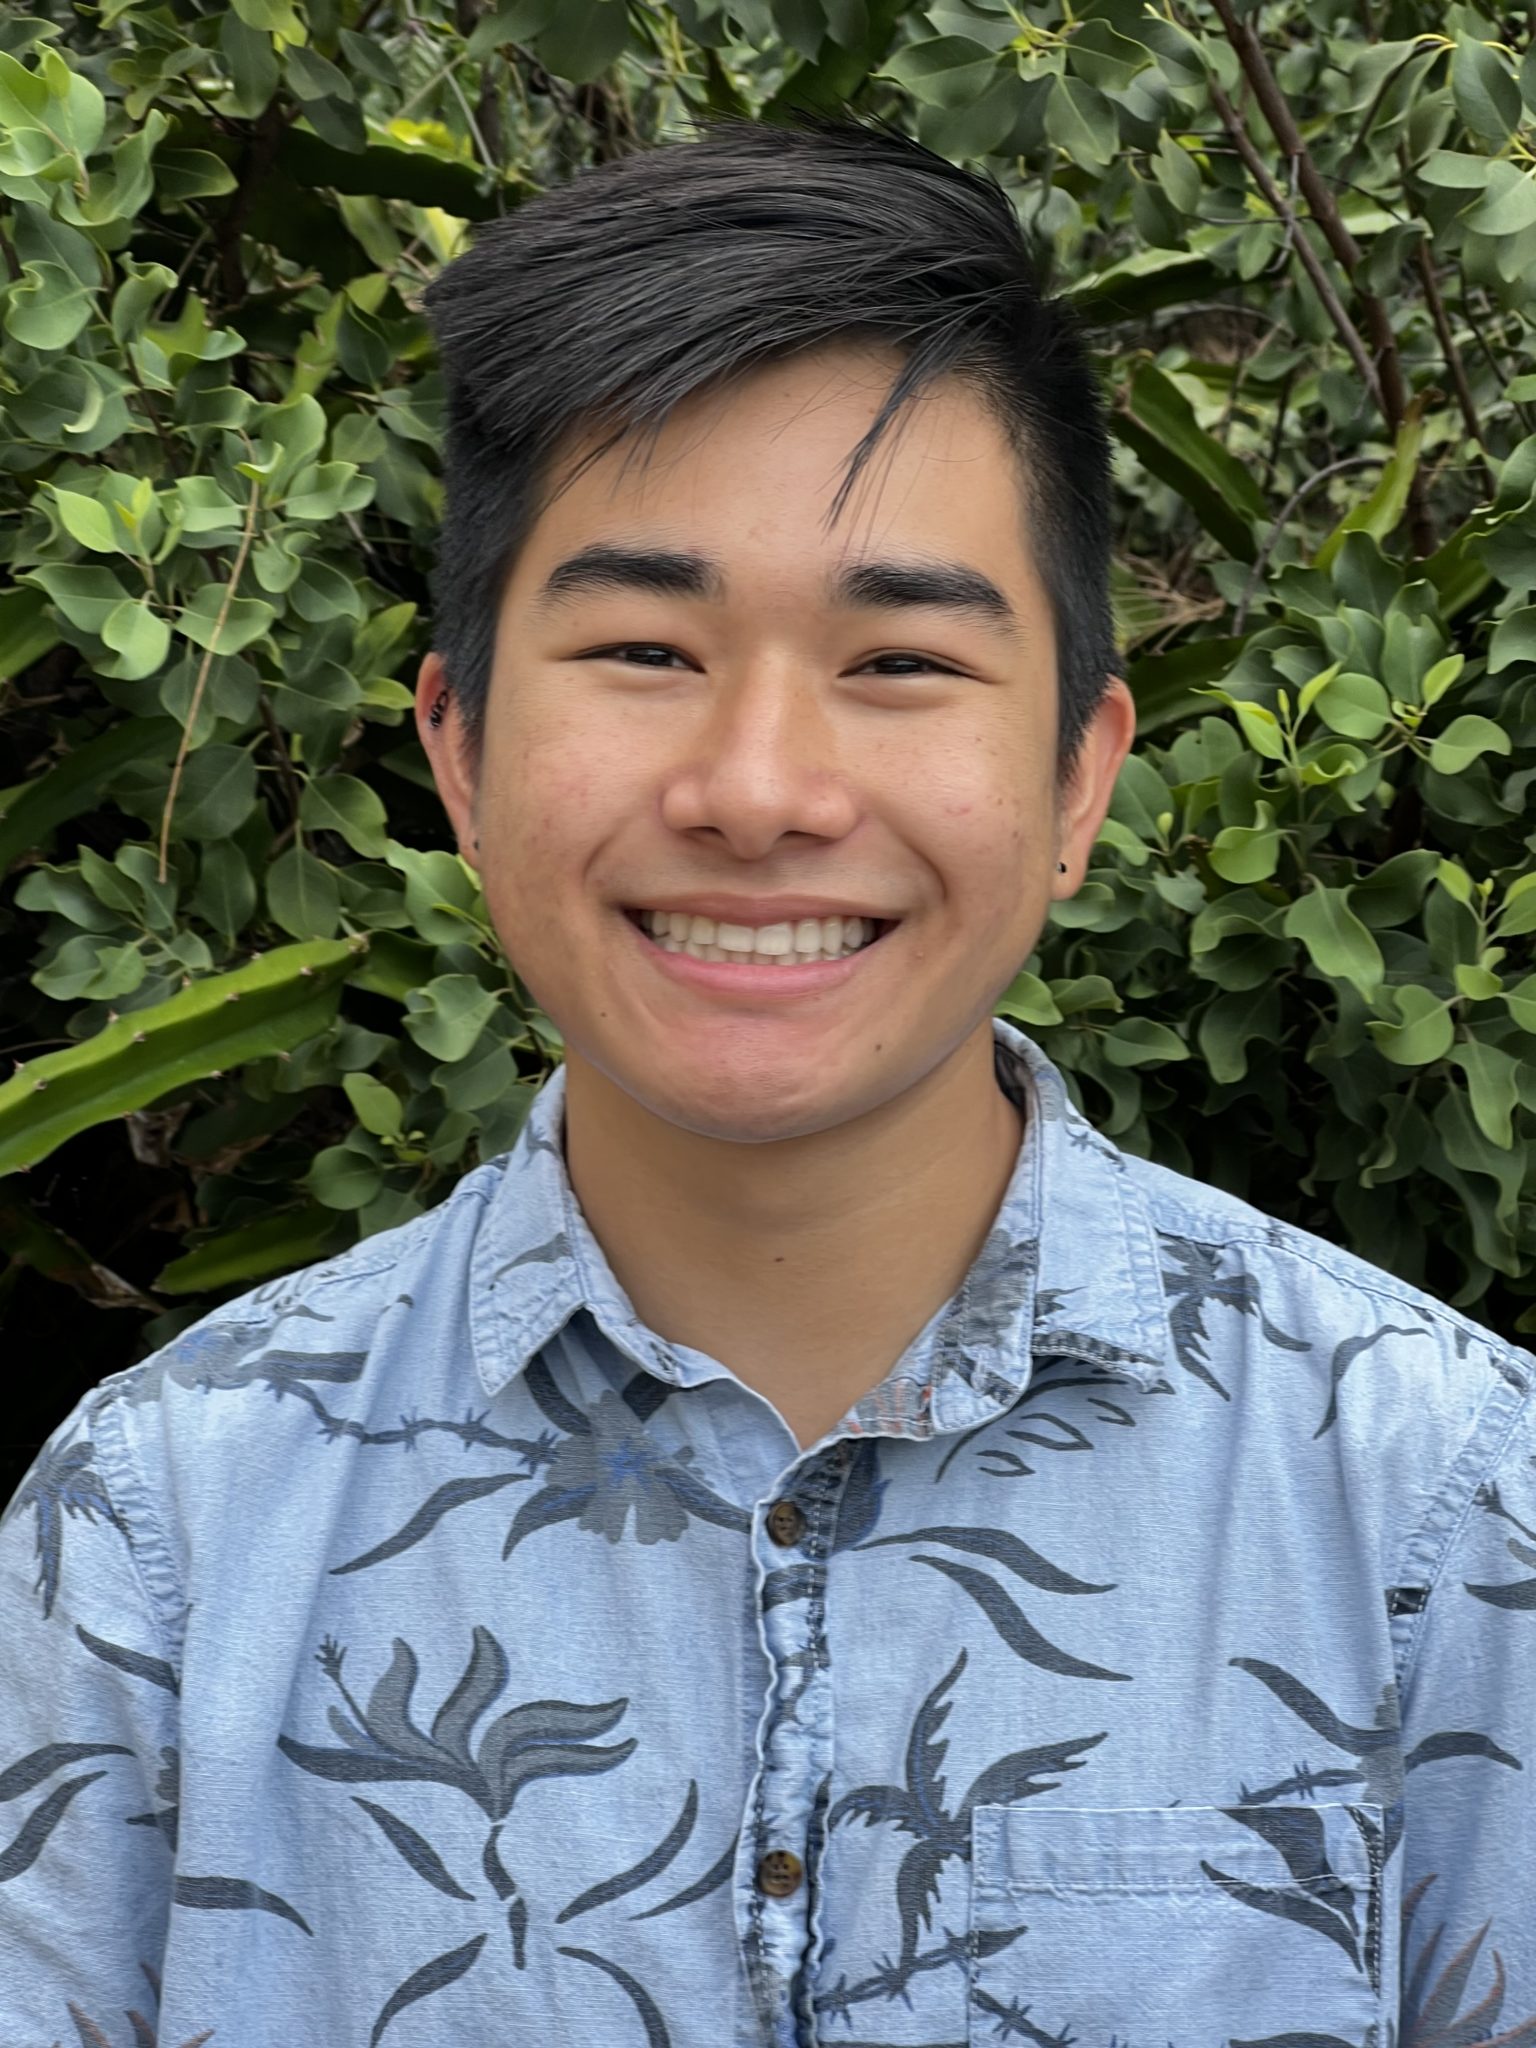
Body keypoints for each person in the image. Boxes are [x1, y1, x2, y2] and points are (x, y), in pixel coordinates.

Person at [2, 114, 1531, 2048]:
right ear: (461, 754)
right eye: (645, 645)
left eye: (899, 662)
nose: (759, 791)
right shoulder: (158, 1536)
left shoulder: (1443, 1508)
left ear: (1079, 775)